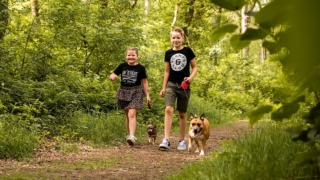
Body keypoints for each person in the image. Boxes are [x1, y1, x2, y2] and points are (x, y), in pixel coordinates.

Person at [158, 27, 198, 151]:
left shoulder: (188, 51)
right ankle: (166, 140)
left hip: (184, 86)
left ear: (183, 38)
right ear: (171, 39)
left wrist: (191, 78)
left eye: (178, 37)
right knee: (168, 109)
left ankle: (182, 140)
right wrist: (164, 87)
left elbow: (195, 67)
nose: (176, 40)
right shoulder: (168, 53)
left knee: (182, 113)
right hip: (171, 84)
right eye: (173, 38)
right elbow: (166, 71)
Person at [109, 47, 151, 146]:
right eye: (129, 55)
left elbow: (144, 82)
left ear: (137, 56)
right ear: (126, 56)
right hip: (124, 91)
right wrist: (113, 77)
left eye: (133, 55)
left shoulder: (140, 68)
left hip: (136, 91)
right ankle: (129, 136)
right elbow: (112, 75)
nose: (131, 57)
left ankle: (132, 135)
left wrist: (148, 95)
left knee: (132, 114)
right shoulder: (122, 66)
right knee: (127, 115)